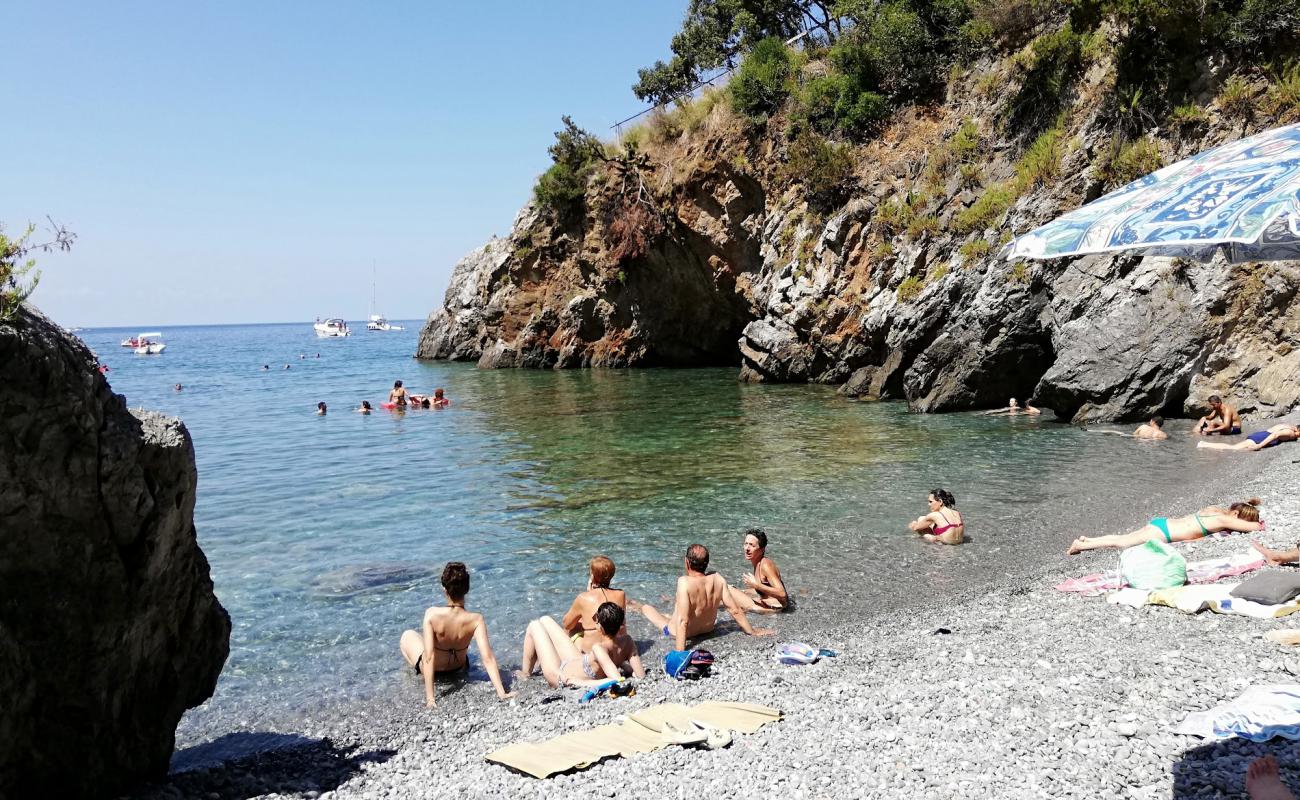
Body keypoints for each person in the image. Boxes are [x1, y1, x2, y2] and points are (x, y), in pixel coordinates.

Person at [398, 562, 514, 708]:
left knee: (407, 635)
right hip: (459, 667)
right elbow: (488, 658)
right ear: (467, 589)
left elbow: (429, 657)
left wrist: (430, 699)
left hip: (436, 670)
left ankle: (414, 675)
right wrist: (501, 692)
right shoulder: (476, 619)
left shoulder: (432, 614)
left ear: (444, 589)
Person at [633, 544, 773, 651]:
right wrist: (752, 631)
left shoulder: (684, 582)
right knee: (674, 612)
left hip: (680, 633)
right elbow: (734, 610)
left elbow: (683, 621)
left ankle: (633, 606)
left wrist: (680, 652)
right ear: (706, 563)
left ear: (687, 562)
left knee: (647, 608)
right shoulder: (717, 579)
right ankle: (643, 608)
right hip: (707, 630)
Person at [1067, 498, 1263, 554]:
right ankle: (1081, 546)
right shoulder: (1224, 520)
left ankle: (1088, 539)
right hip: (1165, 532)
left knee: (1121, 537)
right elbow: (1255, 528)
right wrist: (1256, 524)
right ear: (1236, 515)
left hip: (1163, 523)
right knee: (1121, 544)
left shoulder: (1215, 510)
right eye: (1242, 520)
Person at [518, 604, 644, 689]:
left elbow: (616, 680)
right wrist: (623, 665)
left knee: (534, 625)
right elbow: (640, 674)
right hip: (576, 660)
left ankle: (525, 674)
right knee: (545, 620)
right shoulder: (627, 641)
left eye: (596, 619)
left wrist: (577, 682)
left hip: (560, 674)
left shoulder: (599, 648)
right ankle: (537, 662)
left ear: (600, 627)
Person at [562, 556, 628, 648]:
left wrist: (588, 593)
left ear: (592, 576)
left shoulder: (583, 598)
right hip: (617, 647)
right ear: (612, 575)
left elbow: (567, 624)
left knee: (572, 626)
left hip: (592, 651)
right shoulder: (621, 594)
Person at [726, 529, 788, 613]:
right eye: (746, 544)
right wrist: (743, 591)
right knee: (730, 594)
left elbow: (782, 594)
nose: (747, 548)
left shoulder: (766, 565)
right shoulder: (758, 563)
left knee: (727, 590)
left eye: (752, 545)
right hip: (768, 605)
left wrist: (757, 585)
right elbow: (764, 592)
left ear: (762, 549)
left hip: (773, 609)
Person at [1198, 423, 1300, 451]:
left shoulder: (1289, 426)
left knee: (1236, 448)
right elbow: (1275, 435)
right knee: (1232, 448)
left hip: (1260, 434)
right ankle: (1204, 444)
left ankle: (1206, 445)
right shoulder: (1291, 433)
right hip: (1261, 438)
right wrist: (1259, 446)